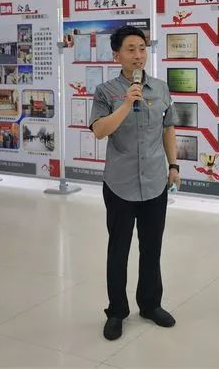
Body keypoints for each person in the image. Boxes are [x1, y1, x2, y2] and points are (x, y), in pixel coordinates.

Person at [89, 25, 180, 342]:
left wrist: (173, 165)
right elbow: (100, 131)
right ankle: (116, 311)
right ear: (117, 55)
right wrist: (126, 104)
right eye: (130, 49)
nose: (138, 55)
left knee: (152, 248)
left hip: (155, 181)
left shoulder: (161, 89)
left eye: (142, 48)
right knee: (118, 250)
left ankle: (151, 305)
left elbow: (168, 129)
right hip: (120, 183)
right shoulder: (105, 92)